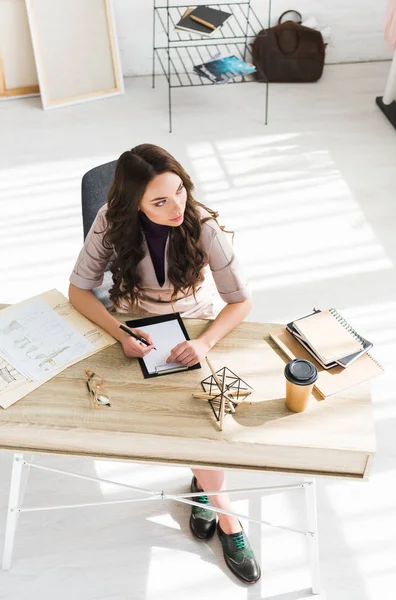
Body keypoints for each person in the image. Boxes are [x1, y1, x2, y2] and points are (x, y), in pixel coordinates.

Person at [68, 143, 261, 584]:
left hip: (196, 324)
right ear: (132, 203)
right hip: (138, 325)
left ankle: (225, 514)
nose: (177, 207)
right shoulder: (108, 221)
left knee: (201, 417)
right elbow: (78, 291)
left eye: (179, 191)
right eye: (160, 201)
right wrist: (121, 333)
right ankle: (205, 490)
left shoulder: (202, 224)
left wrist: (207, 343)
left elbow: (241, 302)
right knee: (164, 416)